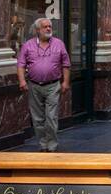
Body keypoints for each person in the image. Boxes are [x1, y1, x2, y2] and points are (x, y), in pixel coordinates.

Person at [17, 17, 71, 152]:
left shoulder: (59, 44)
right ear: (37, 30)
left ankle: (52, 146)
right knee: (38, 118)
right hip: (34, 86)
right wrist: (22, 80)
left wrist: (65, 82)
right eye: (45, 27)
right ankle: (43, 145)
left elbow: (66, 64)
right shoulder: (27, 45)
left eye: (50, 26)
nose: (48, 29)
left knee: (51, 117)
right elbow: (21, 64)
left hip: (53, 85)